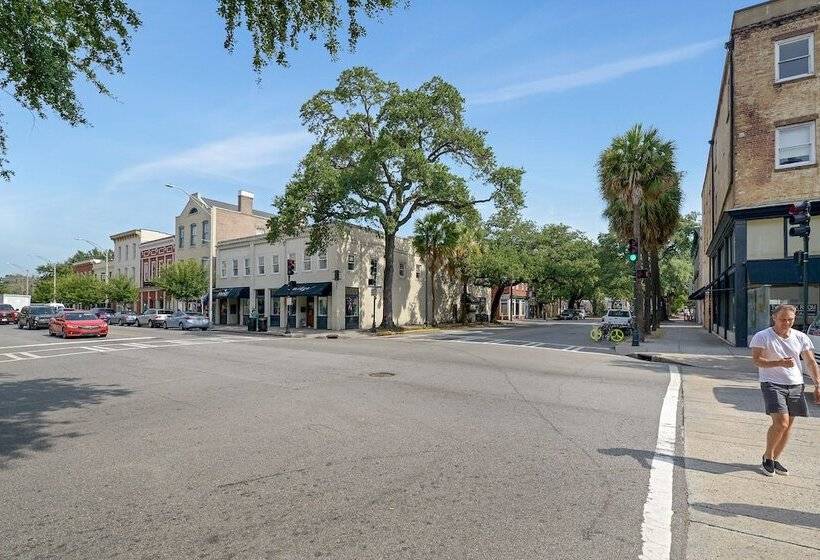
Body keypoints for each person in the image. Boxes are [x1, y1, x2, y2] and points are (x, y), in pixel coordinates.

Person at [749, 304, 820, 476]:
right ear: (774, 317)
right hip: (772, 383)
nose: (786, 323)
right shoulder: (762, 336)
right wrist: (779, 363)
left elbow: (810, 362)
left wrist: (818, 383)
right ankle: (767, 456)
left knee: (788, 427)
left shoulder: (801, 337)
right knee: (781, 423)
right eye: (783, 319)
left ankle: (774, 458)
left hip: (796, 384)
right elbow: (757, 360)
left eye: (790, 319)